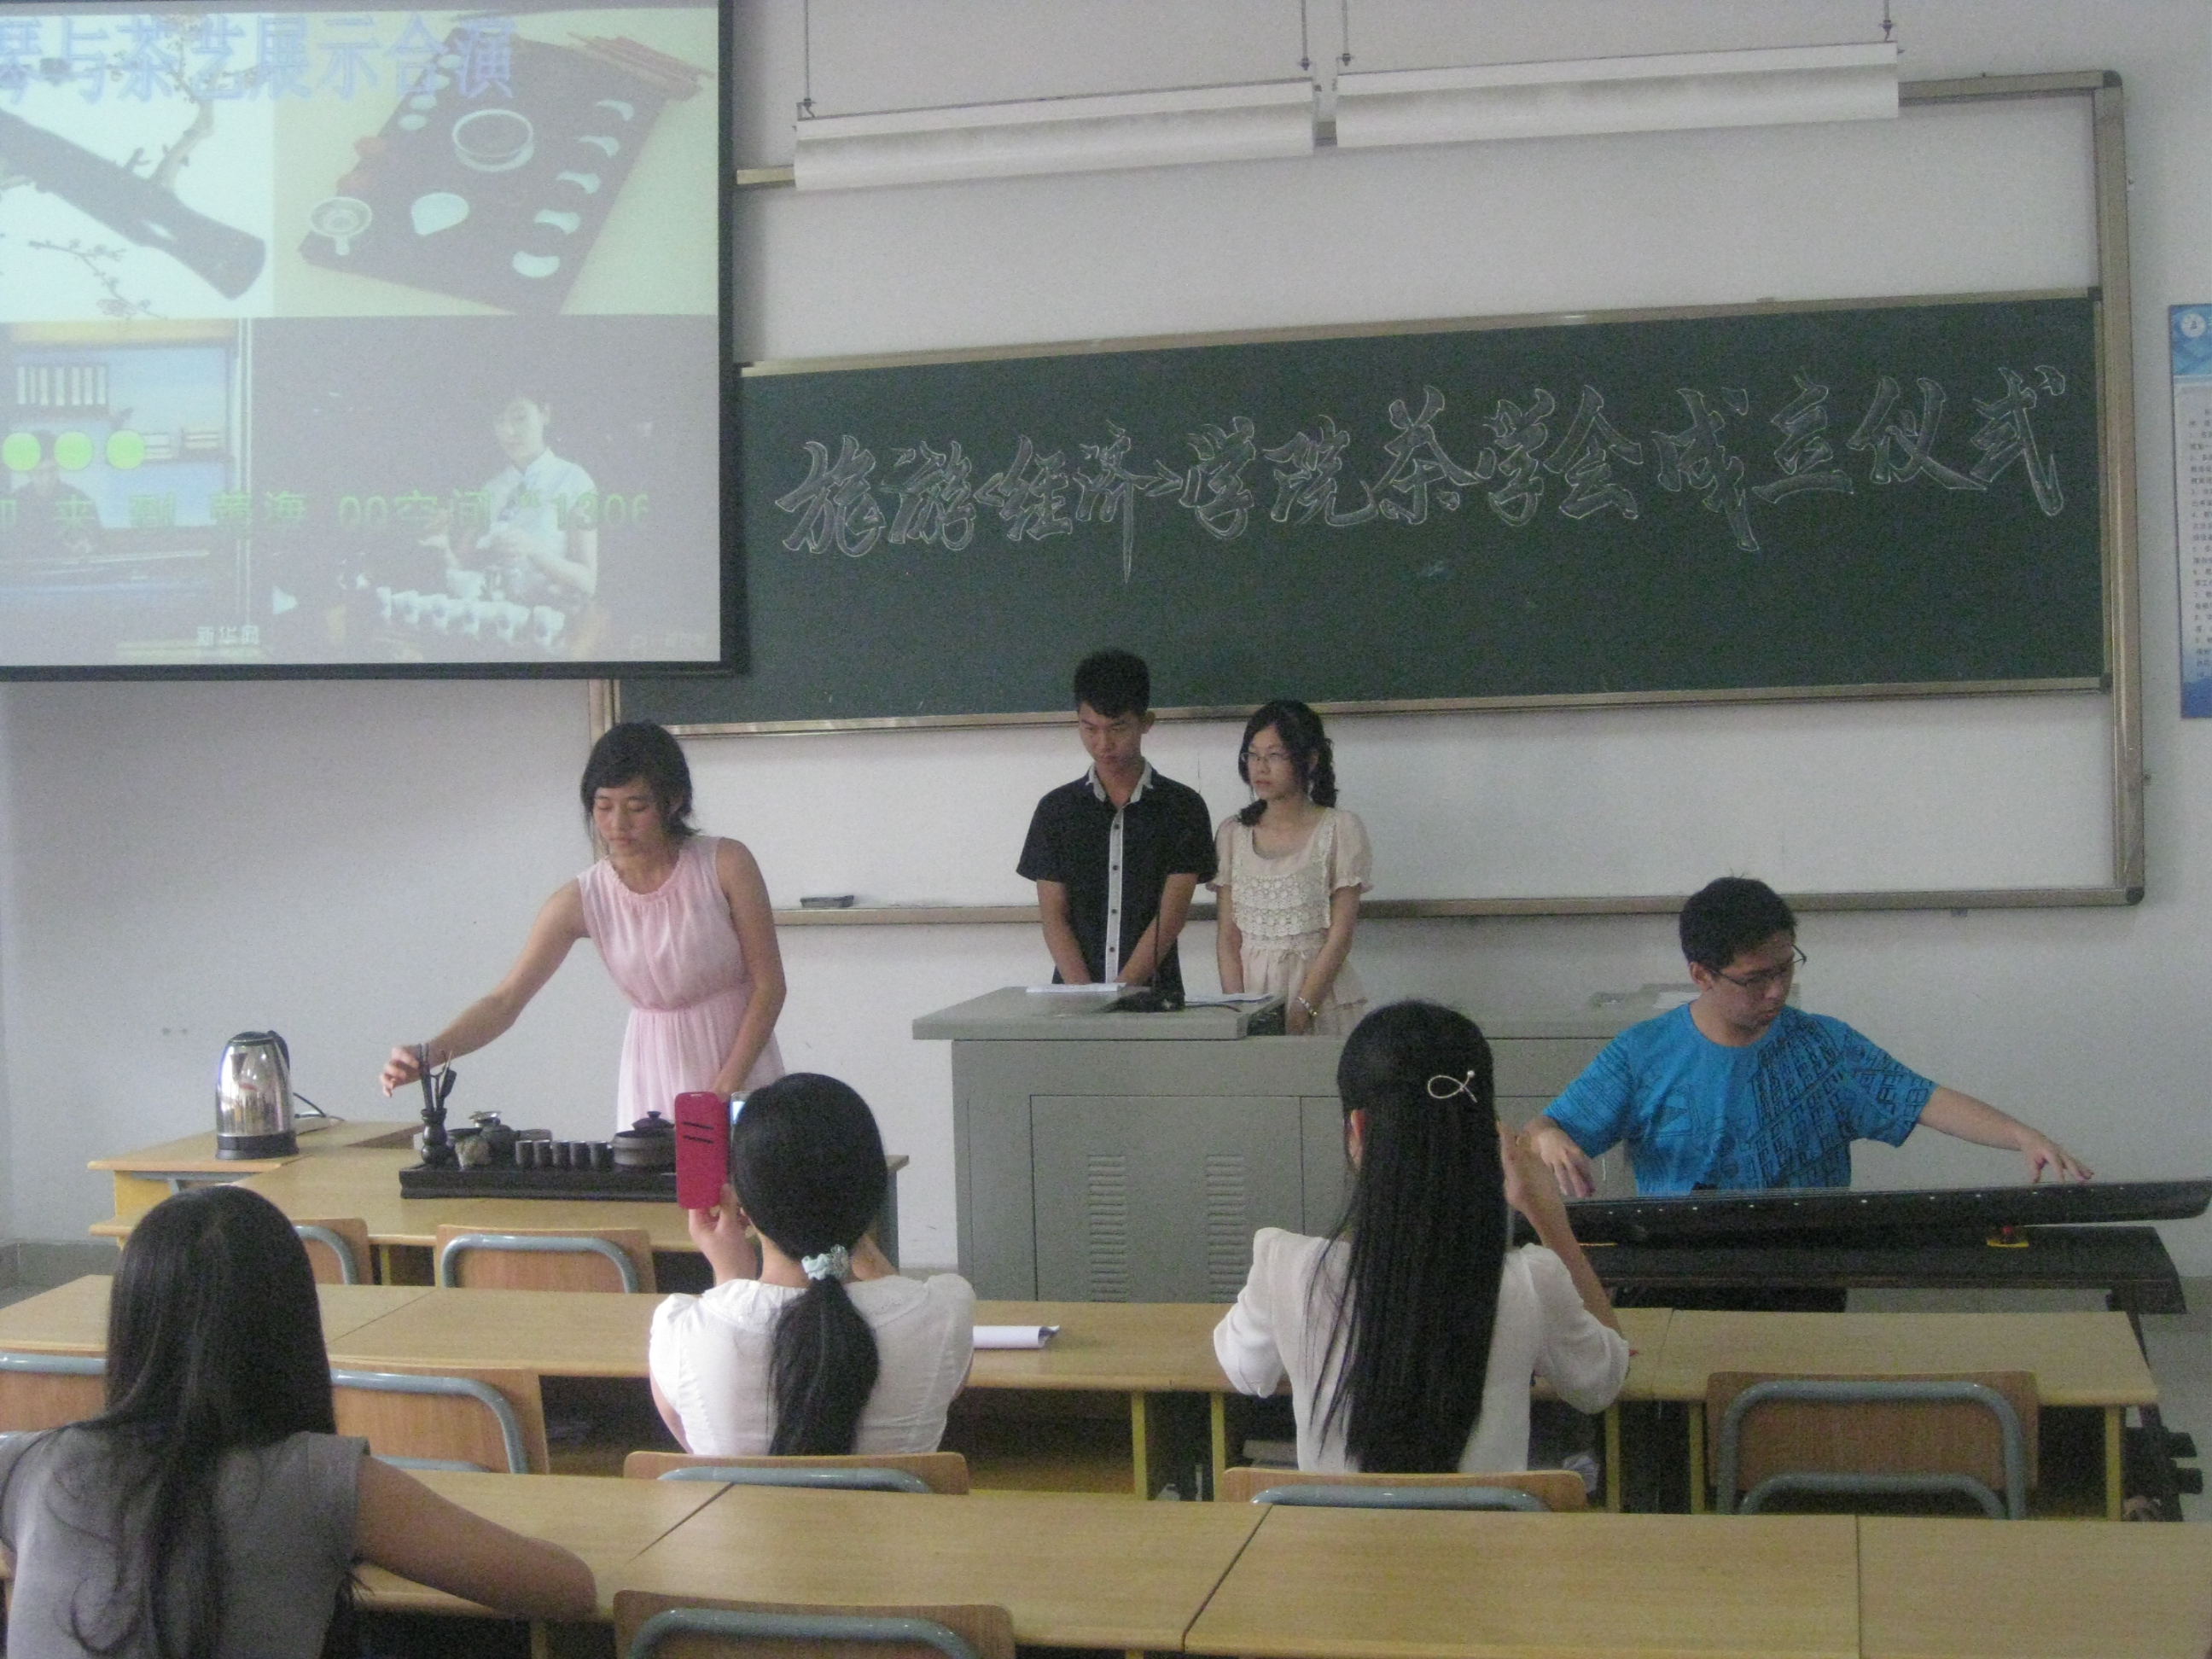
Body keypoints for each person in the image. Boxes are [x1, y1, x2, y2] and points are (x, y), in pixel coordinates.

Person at [0, 1185, 594, 1658]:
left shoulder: (26, 1463)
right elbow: (567, 1590)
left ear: (130, 1324)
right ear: (291, 1328)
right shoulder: (321, 1480)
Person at [1214, 1001, 1627, 1473]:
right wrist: (1549, 1217)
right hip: (1491, 1524)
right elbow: (1603, 1381)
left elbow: (1245, 1371)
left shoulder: (1285, 1267)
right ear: (1487, 1136)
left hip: (1333, 1525)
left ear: (1358, 1128)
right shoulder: (1532, 1280)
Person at [1527, 876, 2094, 1198]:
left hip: (1808, 1267)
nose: (1776, 991)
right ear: (1701, 974)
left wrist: (2021, 1135)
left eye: (1785, 968)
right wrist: (1548, 1137)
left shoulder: (1826, 1049)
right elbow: (1541, 1131)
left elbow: (1924, 1100)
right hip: (1688, 1266)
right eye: (1755, 979)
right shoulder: (1642, 1055)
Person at [382, 720, 785, 1130]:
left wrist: (725, 1088)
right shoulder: (581, 898)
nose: (618, 824)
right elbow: (505, 1001)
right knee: (655, 1169)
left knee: (751, 1167)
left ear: (674, 801)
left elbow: (769, 986)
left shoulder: (726, 863)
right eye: (604, 806)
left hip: (740, 1061)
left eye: (637, 807)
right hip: (653, 1067)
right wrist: (431, 1052)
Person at [649, 1073, 975, 1457]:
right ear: (875, 1190)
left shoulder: (681, 1331)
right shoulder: (943, 1314)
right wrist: (853, 1230)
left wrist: (730, 1278)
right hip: (895, 1502)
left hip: (739, 1502)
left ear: (744, 1205)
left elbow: (703, 1454)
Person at [1017, 648, 1216, 996]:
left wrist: (1118, 995)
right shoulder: (1056, 810)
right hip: (1074, 1004)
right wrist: (1086, 999)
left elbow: (1170, 919)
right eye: (1089, 728)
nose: (1103, 744)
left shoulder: (1183, 808)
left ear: (1146, 722)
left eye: (1117, 728)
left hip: (1154, 1001)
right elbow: (1054, 918)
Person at [1214, 700, 1371, 1034]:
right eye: (1252, 755)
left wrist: (1301, 1011)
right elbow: (1228, 937)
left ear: (1310, 760)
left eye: (1275, 755)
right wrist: (1238, 1010)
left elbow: (1340, 937)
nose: (1260, 767)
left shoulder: (1341, 829)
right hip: (1251, 1002)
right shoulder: (1232, 833)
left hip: (1320, 1000)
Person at [5, 431, 101, 562]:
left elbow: (96, 540)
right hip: (25, 571)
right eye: (40, 473)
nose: (47, 479)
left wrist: (88, 546)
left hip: (68, 570)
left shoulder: (80, 500)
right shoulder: (13, 503)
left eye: (52, 470)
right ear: (28, 472)